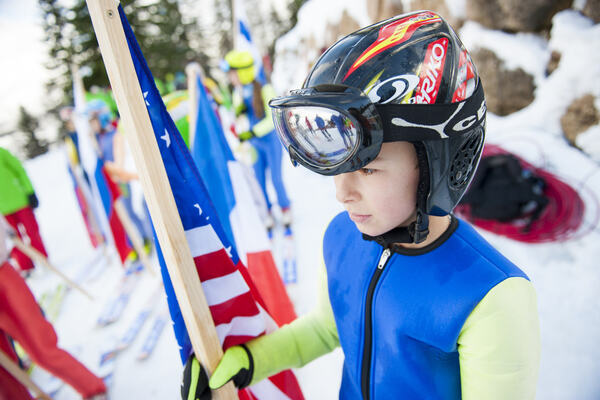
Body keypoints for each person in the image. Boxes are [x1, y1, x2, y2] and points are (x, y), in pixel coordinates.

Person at [182, 11, 540, 400]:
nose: (342, 194)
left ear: (439, 165)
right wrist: (252, 360)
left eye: (367, 170)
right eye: (338, 168)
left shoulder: (491, 296)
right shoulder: (341, 235)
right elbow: (325, 328)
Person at [0, 215, 107, 399]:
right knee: (4, 374)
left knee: (41, 347)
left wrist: (6, 230)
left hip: (3, 277)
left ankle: (92, 388)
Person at [224, 49, 292, 230]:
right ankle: (267, 212)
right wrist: (239, 113)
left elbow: (273, 119)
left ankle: (285, 208)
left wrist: (252, 132)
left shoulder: (265, 88)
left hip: (270, 142)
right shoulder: (238, 92)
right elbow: (239, 117)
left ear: (243, 72)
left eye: (233, 74)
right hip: (255, 146)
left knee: (276, 179)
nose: (231, 78)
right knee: (259, 180)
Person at [0, 147, 48, 275]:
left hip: (19, 201)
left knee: (32, 231)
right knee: (15, 239)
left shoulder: (2, 153)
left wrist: (30, 191)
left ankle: (42, 259)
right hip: (3, 210)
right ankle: (26, 266)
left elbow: (20, 170)